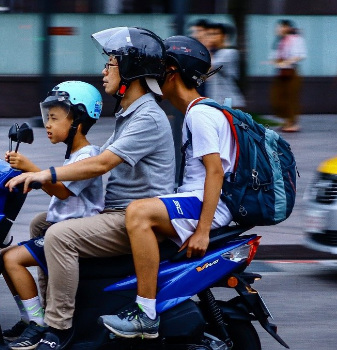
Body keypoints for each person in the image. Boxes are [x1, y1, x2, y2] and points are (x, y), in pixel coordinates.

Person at [6, 27, 175, 350]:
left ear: (130, 69)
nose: (103, 72)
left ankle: (58, 328)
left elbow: (100, 163)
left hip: (133, 217)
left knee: (59, 235)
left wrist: (45, 174)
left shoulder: (148, 118)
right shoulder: (130, 115)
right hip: (119, 214)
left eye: (110, 64)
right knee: (42, 223)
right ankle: (43, 312)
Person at [99, 35, 232, 340]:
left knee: (138, 212)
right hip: (195, 200)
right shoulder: (197, 112)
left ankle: (146, 314)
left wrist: (203, 230)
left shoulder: (200, 114)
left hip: (204, 204)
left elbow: (215, 173)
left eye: (157, 67)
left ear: (170, 70)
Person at [1, 81, 105, 349]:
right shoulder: (73, 156)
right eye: (47, 117)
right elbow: (60, 191)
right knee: (10, 252)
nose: (48, 124)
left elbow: (62, 192)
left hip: (74, 234)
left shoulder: (88, 155)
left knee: (11, 259)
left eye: (54, 118)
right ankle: (31, 317)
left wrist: (32, 170)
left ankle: (37, 323)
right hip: (61, 228)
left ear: (78, 121)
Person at [269, 19, 306, 132]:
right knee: (277, 98)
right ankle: (286, 121)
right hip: (280, 72)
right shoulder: (280, 41)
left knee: (291, 98)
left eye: (280, 27)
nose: (278, 30)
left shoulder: (296, 39)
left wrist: (288, 61)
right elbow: (274, 56)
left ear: (287, 28)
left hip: (291, 72)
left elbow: (301, 55)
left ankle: (292, 122)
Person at [205, 23, 245, 108]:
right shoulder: (216, 53)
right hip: (218, 102)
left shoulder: (229, 52)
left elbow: (209, 65)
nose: (211, 37)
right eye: (209, 34)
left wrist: (206, 46)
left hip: (230, 102)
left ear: (224, 36)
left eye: (215, 34)